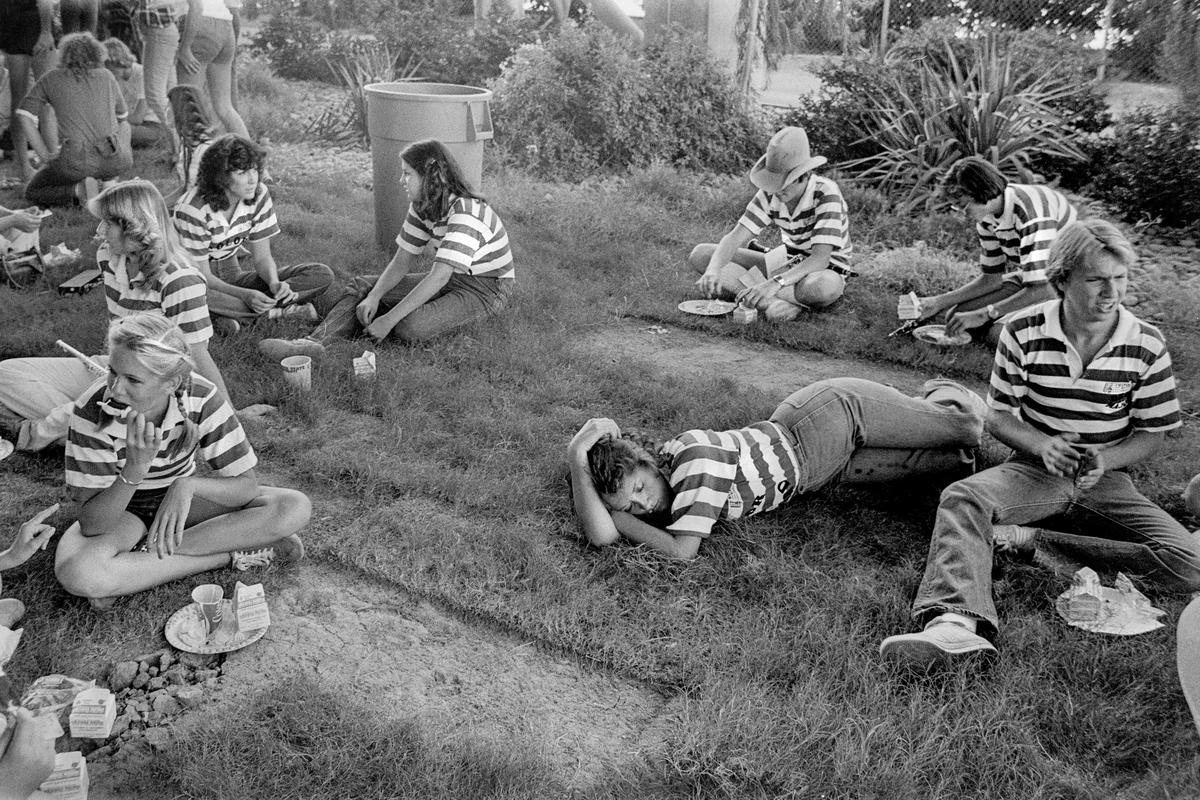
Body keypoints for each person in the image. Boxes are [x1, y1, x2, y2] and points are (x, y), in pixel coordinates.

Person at [880, 219, 1200, 669]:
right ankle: (953, 624)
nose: (1112, 293)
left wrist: (1105, 459)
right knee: (962, 496)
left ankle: (1033, 541)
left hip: (1106, 480)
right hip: (1033, 468)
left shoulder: (1147, 343)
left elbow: (1153, 434)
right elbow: (998, 416)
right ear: (1063, 279)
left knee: (1192, 563)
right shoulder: (1023, 330)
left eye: (1120, 279)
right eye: (1096, 280)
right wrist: (1043, 445)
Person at [568, 377, 984, 559]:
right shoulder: (675, 490)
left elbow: (681, 552)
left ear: (646, 463)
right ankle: (928, 404)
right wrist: (578, 462)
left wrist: (621, 518)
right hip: (820, 469)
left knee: (967, 429)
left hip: (823, 421)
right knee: (953, 463)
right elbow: (600, 537)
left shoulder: (691, 467)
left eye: (639, 489)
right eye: (631, 506)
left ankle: (948, 391)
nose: (644, 506)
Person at [54, 313, 311, 608]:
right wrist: (135, 468)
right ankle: (225, 556)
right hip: (122, 510)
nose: (115, 388)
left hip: (183, 504)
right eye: (113, 372)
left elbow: (246, 487)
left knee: (293, 507)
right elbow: (92, 524)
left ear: (171, 382)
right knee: (79, 573)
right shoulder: (92, 412)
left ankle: (135, 566)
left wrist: (186, 486)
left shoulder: (201, 397)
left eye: (133, 379)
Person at [0, 179, 229, 454]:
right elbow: (119, 335)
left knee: (124, 397)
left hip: (156, 385)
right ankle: (91, 429)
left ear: (135, 227)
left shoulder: (180, 279)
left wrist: (226, 412)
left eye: (107, 223)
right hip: (115, 369)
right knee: (6, 374)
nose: (99, 231)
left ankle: (41, 433)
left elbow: (195, 357)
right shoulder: (109, 258)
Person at [257, 138, 514, 360]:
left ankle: (365, 320)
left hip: (485, 288)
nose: (401, 179)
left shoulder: (466, 213)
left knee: (408, 326)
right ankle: (311, 343)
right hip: (450, 277)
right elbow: (402, 261)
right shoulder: (423, 205)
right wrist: (374, 296)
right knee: (363, 287)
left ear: (431, 176)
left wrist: (389, 319)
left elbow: (439, 276)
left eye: (408, 173)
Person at [171, 135, 333, 334]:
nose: (252, 179)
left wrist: (275, 283)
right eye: (241, 172)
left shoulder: (258, 194)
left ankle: (230, 317)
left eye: (255, 170)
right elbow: (203, 276)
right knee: (190, 294)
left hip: (230, 270)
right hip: (194, 279)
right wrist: (246, 295)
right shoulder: (193, 209)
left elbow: (263, 257)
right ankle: (276, 313)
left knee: (321, 273)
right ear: (220, 176)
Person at [689, 126, 853, 322]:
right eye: (776, 182)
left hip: (823, 270)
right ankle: (773, 303)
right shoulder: (771, 192)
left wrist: (774, 283)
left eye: (787, 182)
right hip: (785, 262)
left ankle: (764, 294)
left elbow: (820, 259)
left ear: (805, 175)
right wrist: (713, 269)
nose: (779, 190)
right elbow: (735, 237)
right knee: (702, 255)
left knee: (822, 288)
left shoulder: (826, 193)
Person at [912, 157, 1078, 344]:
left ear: (981, 193)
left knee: (999, 335)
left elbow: (1044, 288)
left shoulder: (1031, 215)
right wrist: (938, 302)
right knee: (956, 316)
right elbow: (991, 279)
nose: (960, 213)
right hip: (1033, 279)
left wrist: (985, 314)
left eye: (962, 205)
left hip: (1066, 286)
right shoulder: (987, 218)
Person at [16, 32, 132, 206]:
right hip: (114, 156)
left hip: (76, 160)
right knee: (121, 130)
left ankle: (78, 190)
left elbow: (24, 115)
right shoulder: (107, 76)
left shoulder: (52, 78)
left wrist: (45, 155)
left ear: (63, 54)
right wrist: (122, 148)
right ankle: (108, 185)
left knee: (33, 191)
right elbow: (123, 118)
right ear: (97, 53)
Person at [174, 0, 247, 139]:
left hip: (198, 24)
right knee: (225, 107)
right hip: (225, 25)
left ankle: (194, 159)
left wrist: (184, 47)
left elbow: (197, 6)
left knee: (189, 106)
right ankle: (251, 156)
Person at [0, 0, 55, 182]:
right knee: (26, 101)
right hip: (14, 28)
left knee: (44, 100)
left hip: (30, 26)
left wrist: (46, 32)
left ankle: (49, 162)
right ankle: (27, 166)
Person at [133, 0, 186, 155]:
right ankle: (179, 147)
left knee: (154, 95)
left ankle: (179, 149)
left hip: (159, 32)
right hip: (162, 31)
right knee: (171, 93)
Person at [102, 37, 164, 149]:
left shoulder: (143, 74)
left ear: (119, 63)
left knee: (109, 133)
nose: (108, 74)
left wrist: (109, 121)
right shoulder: (113, 78)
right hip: (126, 124)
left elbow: (137, 118)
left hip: (151, 126)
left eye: (110, 69)